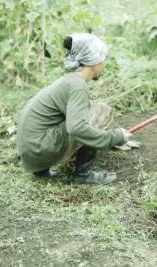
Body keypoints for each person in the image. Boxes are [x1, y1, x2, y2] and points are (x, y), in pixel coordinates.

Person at [17, 33, 134, 185]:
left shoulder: (69, 80)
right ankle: (83, 174)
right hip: (40, 150)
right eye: (102, 59)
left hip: (31, 152)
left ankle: (42, 170)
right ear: (94, 61)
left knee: (88, 111)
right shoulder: (78, 86)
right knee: (101, 111)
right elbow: (76, 128)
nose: (103, 64)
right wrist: (113, 137)